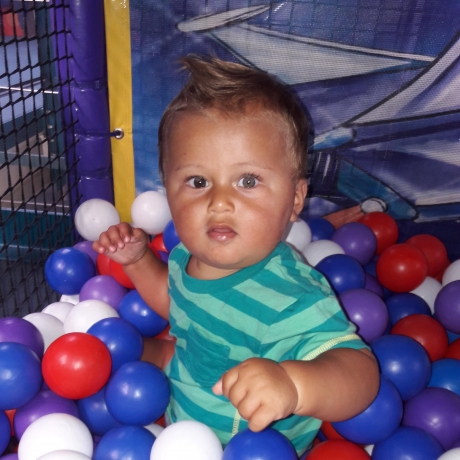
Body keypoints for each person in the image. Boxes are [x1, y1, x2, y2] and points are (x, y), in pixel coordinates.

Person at [93, 55, 379, 455]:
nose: (220, 202)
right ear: (167, 191)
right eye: (198, 181)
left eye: (247, 180)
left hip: (250, 446)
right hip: (176, 420)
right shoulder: (185, 256)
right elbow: (176, 302)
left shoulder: (291, 295)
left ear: (295, 199)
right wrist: (139, 261)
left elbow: (361, 374)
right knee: (115, 347)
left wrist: (293, 385)